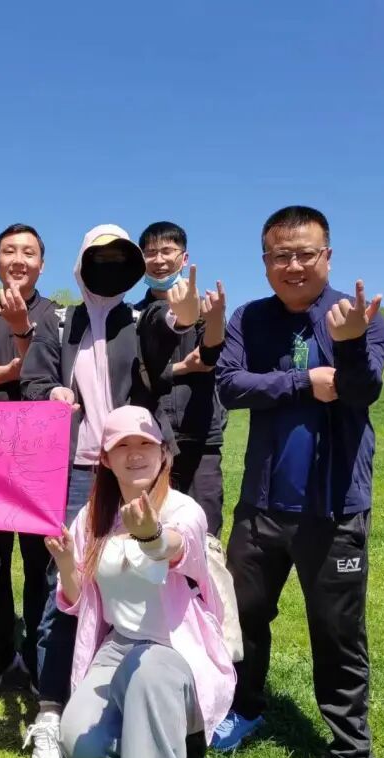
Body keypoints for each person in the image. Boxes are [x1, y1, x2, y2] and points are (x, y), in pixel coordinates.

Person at [213, 206, 384, 758]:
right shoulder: (250, 318)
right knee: (244, 617)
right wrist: (300, 382)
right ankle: (245, 708)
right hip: (261, 506)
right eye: (280, 255)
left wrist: (350, 344)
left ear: (327, 256)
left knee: (338, 631)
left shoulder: (358, 315)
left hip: (334, 508)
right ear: (265, 261)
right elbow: (230, 385)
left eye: (305, 253)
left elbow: (362, 391)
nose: (293, 265)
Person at [19, 224, 200, 758]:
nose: (106, 271)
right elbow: (33, 380)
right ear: (81, 266)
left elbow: (164, 348)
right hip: (73, 470)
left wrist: (183, 318)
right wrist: (50, 391)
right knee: (64, 582)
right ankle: (53, 708)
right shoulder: (58, 322)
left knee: (146, 570)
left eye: (117, 261)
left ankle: (148, 693)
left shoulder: (138, 319)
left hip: (133, 467)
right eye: (96, 260)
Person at [45, 406, 235, 758]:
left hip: (173, 652)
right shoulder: (92, 517)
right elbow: (77, 603)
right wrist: (64, 563)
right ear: (105, 459)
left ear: (164, 453)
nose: (135, 454)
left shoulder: (183, 510)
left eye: (145, 444)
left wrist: (151, 536)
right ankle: (157, 747)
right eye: (122, 446)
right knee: (81, 745)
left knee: (147, 673)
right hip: (117, 648)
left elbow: (178, 545)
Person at [0, 223, 59, 693]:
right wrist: (12, 370)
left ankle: (41, 656)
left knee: (42, 559)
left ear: (42, 263)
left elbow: (58, 377)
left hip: (42, 456)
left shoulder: (59, 316)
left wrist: (25, 360)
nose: (18, 260)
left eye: (28, 252)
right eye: (9, 251)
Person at [136, 221, 228, 534]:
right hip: (151, 435)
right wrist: (182, 369)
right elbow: (135, 372)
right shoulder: (132, 314)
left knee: (205, 527)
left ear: (184, 258)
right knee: (151, 528)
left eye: (167, 251)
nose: (159, 259)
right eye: (150, 253)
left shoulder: (205, 308)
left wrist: (215, 320)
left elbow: (210, 359)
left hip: (200, 435)